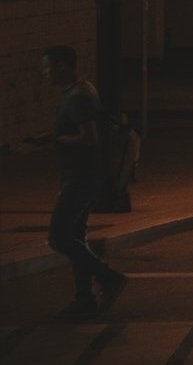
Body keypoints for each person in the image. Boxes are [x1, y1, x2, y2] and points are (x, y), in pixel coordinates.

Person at [34, 45, 130, 317]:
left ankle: (108, 277)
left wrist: (61, 140)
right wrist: (47, 138)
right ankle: (84, 298)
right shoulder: (81, 90)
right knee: (75, 236)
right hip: (81, 176)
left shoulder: (78, 97)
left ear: (61, 66)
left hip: (80, 177)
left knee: (59, 237)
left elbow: (89, 137)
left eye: (47, 66)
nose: (45, 72)